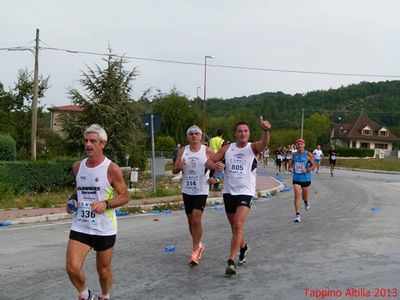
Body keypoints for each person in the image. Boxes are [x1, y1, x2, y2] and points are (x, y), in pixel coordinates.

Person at [66, 124, 129, 300]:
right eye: (86, 140)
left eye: (93, 141)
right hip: (81, 225)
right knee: (72, 267)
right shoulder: (78, 167)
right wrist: (72, 200)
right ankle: (85, 295)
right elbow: (78, 189)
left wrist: (106, 204)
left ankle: (105, 296)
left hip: (104, 227)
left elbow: (125, 196)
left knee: (103, 270)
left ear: (102, 144)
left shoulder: (112, 168)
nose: (88, 144)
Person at [207, 116, 271, 276]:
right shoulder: (227, 148)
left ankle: (230, 262)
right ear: (235, 134)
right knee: (236, 228)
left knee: (238, 223)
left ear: (249, 134)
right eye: (240, 131)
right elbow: (211, 160)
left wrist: (266, 130)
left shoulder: (253, 147)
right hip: (229, 191)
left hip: (245, 191)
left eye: (245, 131)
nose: (243, 134)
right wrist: (216, 166)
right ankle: (243, 247)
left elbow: (264, 144)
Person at [172, 125, 215, 265]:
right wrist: (180, 167)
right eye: (191, 134)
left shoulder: (207, 150)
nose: (194, 136)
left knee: (196, 219)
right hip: (187, 189)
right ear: (187, 137)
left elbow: (218, 165)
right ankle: (199, 244)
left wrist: (215, 178)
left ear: (201, 136)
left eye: (197, 134)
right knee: (190, 220)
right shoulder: (182, 151)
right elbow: (174, 170)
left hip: (201, 189)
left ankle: (195, 250)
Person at [289, 138, 315, 223]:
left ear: (304, 145)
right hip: (296, 178)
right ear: (296, 145)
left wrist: (307, 170)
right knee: (297, 195)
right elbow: (291, 163)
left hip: (306, 178)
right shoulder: (294, 154)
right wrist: (290, 168)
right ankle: (297, 215)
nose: (300, 145)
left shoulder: (308, 154)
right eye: (298, 144)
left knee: (304, 197)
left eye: (301, 144)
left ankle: (306, 202)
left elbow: (314, 166)